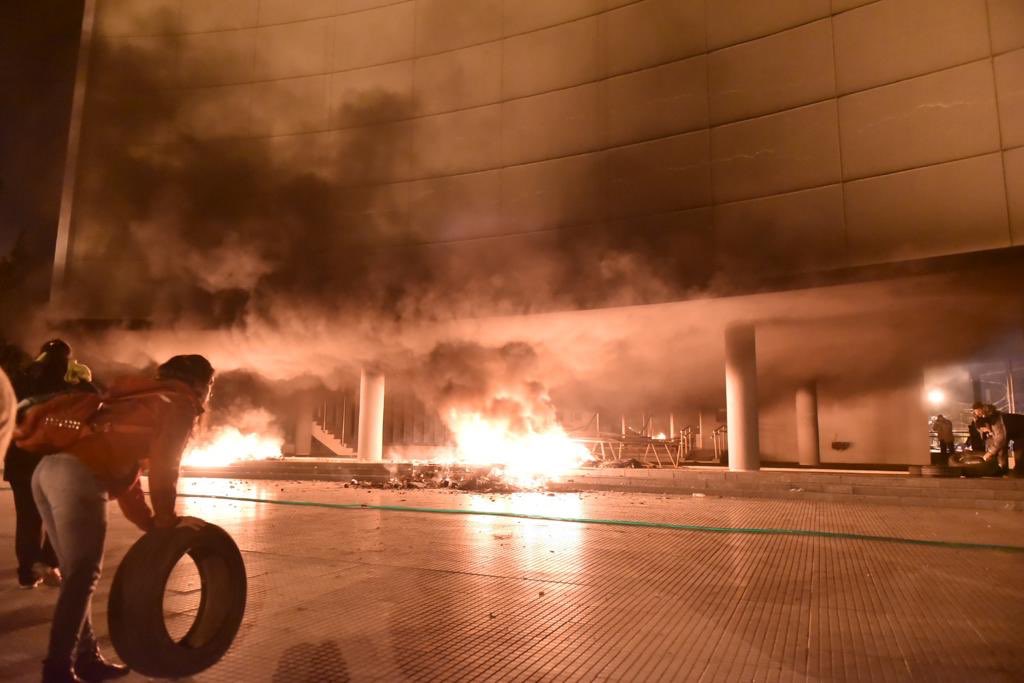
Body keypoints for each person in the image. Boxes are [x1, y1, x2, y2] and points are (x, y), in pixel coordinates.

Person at [25, 354, 214, 683]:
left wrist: (151, 523)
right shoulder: (179, 404)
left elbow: (127, 475)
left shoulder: (135, 397)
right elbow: (165, 464)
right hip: (77, 476)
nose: (210, 392)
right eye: (211, 384)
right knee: (83, 576)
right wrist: (167, 519)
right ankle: (56, 670)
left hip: (46, 472)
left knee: (75, 575)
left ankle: (86, 659)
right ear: (199, 383)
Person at [4, 339, 96, 589]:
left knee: (28, 517)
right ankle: (49, 562)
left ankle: (28, 572)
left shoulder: (22, 377)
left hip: (21, 458)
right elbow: (97, 402)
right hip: (54, 460)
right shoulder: (73, 379)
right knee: (58, 513)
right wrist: (86, 379)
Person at [977, 408, 1024, 477]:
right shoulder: (993, 424)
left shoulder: (996, 423)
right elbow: (999, 443)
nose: (985, 431)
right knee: (1010, 450)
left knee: (1018, 454)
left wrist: (990, 453)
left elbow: (1000, 440)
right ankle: (1009, 469)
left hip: (1021, 433)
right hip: (1016, 436)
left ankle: (1019, 473)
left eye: (983, 429)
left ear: (985, 424)